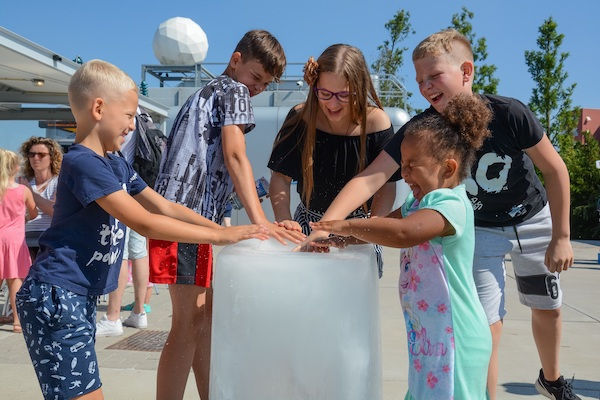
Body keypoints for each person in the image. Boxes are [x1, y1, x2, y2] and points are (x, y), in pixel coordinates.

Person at [301, 29, 579, 400]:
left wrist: (561, 236)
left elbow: (555, 170)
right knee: (486, 320)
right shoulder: (422, 130)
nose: (425, 86)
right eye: (418, 80)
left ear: (466, 71)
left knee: (546, 306)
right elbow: (371, 177)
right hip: (478, 226)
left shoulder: (509, 113)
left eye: (434, 76)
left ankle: (552, 378)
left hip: (530, 217)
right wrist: (324, 228)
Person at [15, 59, 267, 400]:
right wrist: (223, 235)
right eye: (130, 115)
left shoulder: (113, 161)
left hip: (77, 297)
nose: (133, 126)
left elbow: (164, 206)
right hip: (58, 296)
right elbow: (144, 222)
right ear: (100, 108)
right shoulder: (82, 162)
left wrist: (239, 229)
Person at [149, 30, 304, 400]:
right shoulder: (232, 90)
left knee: (203, 320)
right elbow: (236, 156)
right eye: (256, 77)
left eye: (266, 84)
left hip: (186, 219)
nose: (257, 88)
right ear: (236, 61)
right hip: (185, 220)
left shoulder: (205, 93)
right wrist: (261, 220)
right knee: (187, 324)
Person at [313, 94, 492, 399]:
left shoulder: (452, 204)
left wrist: (344, 224)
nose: (404, 174)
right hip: (429, 336)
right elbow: (383, 225)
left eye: (412, 165)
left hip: (455, 337)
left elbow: (404, 232)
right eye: (403, 165)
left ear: (448, 168)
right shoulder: (419, 201)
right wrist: (339, 241)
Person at [268, 44, 396, 274]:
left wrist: (374, 224)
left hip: (359, 231)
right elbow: (280, 178)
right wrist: (285, 220)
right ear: (314, 85)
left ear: (360, 88)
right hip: (308, 225)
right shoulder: (300, 118)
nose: (333, 104)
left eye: (344, 95)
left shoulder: (377, 123)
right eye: (325, 94)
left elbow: (386, 186)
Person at [96, 108, 157, 336]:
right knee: (139, 252)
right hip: (139, 185)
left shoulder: (121, 114)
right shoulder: (145, 118)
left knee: (119, 252)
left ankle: (113, 316)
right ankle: (140, 311)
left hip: (121, 188)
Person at [0, 149, 37, 333]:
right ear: (14, 168)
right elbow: (34, 212)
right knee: (15, 281)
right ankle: (17, 322)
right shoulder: (22, 190)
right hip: (15, 240)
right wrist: (24, 218)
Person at [18, 137, 63, 260]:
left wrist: (30, 194)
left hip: (50, 239)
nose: (36, 158)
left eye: (41, 154)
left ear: (51, 157)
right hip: (23, 238)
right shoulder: (22, 181)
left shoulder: (59, 182)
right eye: (32, 154)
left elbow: (56, 211)